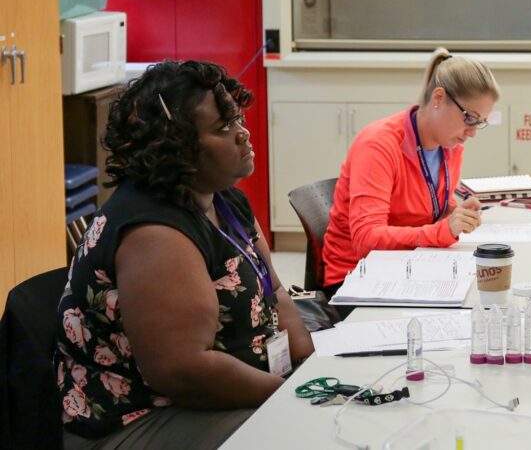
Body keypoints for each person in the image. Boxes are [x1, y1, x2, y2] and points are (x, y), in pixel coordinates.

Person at [56, 60, 314, 449]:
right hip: (141, 418)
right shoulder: (153, 234)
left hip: (228, 395)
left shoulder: (226, 200)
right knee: (305, 439)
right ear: (176, 147)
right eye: (223, 128)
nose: (243, 134)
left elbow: (276, 293)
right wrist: (289, 396)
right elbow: (184, 372)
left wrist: (311, 372)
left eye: (238, 119)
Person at [321, 48, 500, 294]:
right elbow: (366, 239)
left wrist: (455, 213)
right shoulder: (379, 145)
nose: (472, 132)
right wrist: (442, 231)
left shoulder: (449, 145)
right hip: (357, 277)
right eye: (469, 118)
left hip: (412, 265)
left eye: (480, 123)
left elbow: (426, 210)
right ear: (438, 98)